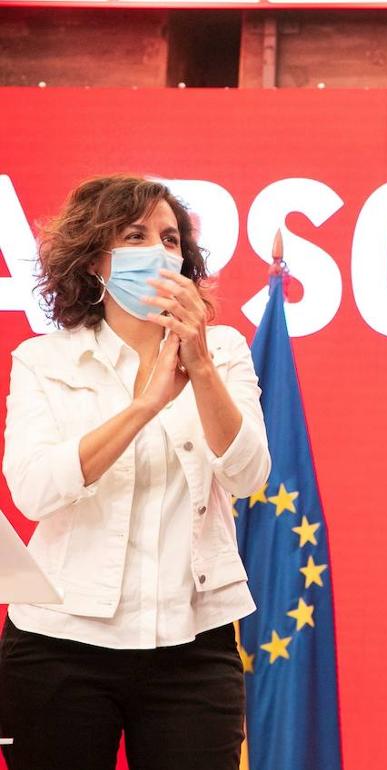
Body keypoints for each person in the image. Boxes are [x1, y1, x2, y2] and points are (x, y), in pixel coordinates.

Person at [0, 175, 270, 769]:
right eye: (135, 235)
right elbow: (33, 489)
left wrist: (199, 369)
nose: (159, 252)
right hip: (58, 641)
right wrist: (144, 407)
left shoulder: (223, 351)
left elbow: (249, 475)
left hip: (193, 644)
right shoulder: (44, 360)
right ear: (97, 261)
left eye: (170, 239)